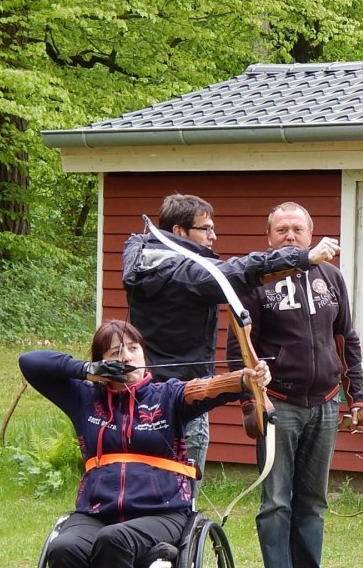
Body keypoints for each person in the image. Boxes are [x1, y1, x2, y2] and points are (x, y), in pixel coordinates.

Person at [19, 320, 270, 568]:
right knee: (64, 547)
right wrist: (86, 371)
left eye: (133, 348)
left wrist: (246, 379)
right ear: (103, 363)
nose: (127, 356)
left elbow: (207, 388)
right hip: (95, 511)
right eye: (115, 353)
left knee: (114, 541)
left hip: (163, 512)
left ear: (144, 354)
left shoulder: (168, 395)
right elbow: (30, 362)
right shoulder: (83, 398)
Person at [122, 193, 340, 476]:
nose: (213, 236)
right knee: (180, 496)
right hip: (182, 399)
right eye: (205, 228)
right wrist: (302, 257)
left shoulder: (148, 258)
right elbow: (232, 273)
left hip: (147, 395)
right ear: (178, 231)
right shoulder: (181, 273)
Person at [227, 201, 363, 568]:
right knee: (275, 499)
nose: (290, 236)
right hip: (278, 403)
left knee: (313, 498)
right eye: (282, 230)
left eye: (297, 230)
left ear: (311, 233)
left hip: (324, 403)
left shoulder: (331, 277)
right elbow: (239, 344)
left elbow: (347, 338)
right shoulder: (255, 281)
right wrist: (249, 399)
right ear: (269, 236)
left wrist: (355, 393)